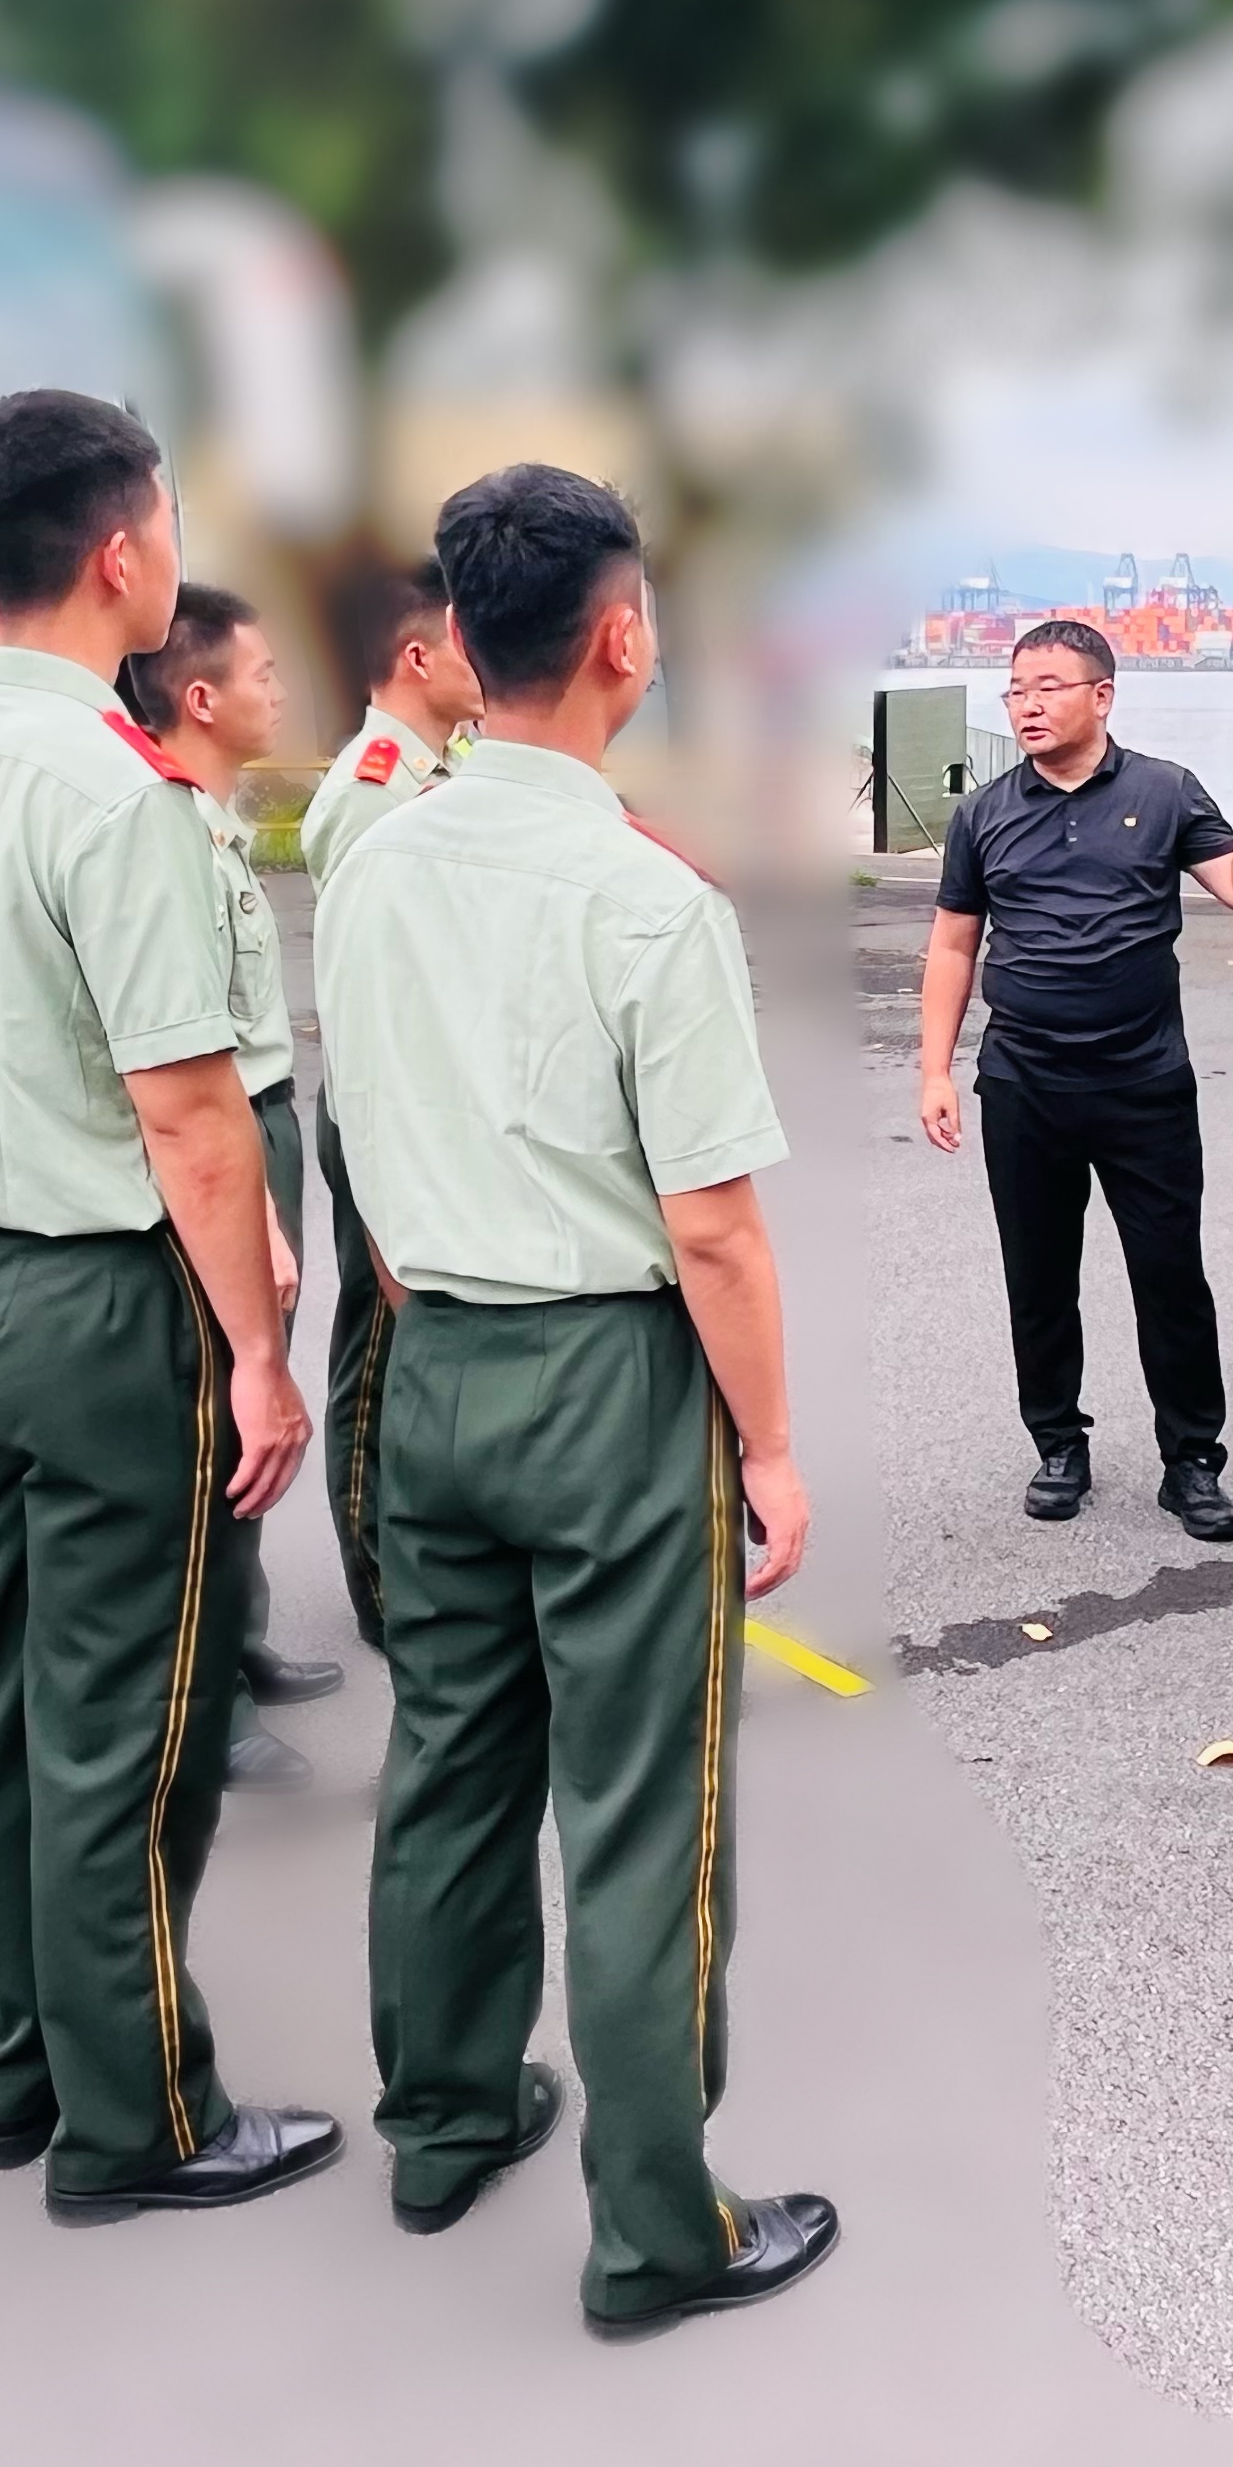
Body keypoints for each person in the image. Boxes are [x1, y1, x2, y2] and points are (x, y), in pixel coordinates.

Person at [317, 462, 836, 2334]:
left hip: (434, 1357)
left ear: (460, 640)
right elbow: (712, 1229)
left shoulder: (369, 860)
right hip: (607, 1377)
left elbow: (360, 1135)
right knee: (636, 1807)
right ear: (623, 639)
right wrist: (769, 1446)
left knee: (450, 1761)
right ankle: (659, 2228)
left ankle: (445, 2121)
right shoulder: (645, 900)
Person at [0, 389, 332, 2218]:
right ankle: (141, 2117)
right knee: (131, 1719)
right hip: (106, 1299)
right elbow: (188, 1108)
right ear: (124, 552)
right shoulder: (115, 789)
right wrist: (259, 1354)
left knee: (3, 1694)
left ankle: (21, 2063)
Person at [916, 620, 1233, 1542]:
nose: (1027, 705)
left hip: (1143, 1085)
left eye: (1047, 686)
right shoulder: (984, 813)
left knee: (1170, 1276)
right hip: (1024, 1083)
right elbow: (954, 944)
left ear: (1102, 695)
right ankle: (1058, 1445)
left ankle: (1191, 1463)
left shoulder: (1164, 791)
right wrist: (934, 1069)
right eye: (1015, 689)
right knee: (1038, 1278)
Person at [119, 585, 350, 1789]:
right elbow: (176, 1069)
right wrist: (251, 1206)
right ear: (200, 698)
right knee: (217, 1407)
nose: (281, 692)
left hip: (257, 1115)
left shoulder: (211, 820)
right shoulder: (158, 831)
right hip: (222, 1134)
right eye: (265, 674)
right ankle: (198, 1703)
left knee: (250, 1403)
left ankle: (237, 1636)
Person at [298, 560, 483, 1645]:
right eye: (464, 641)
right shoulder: (377, 787)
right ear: (418, 657)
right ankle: (377, 1579)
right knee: (376, 1343)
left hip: (430, 1095)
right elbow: (372, 976)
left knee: (422, 1337)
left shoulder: (440, 768)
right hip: (385, 1099)